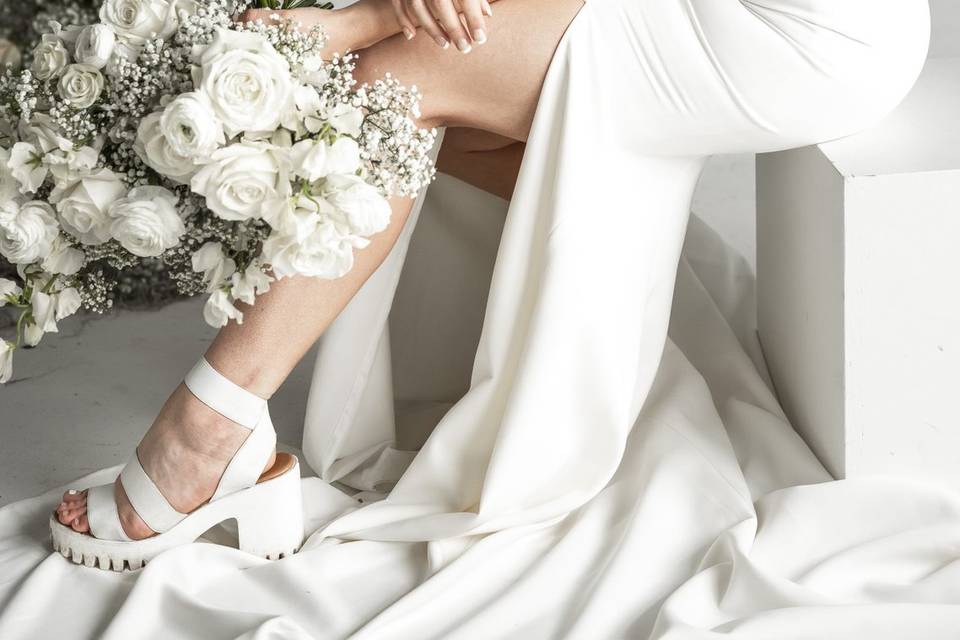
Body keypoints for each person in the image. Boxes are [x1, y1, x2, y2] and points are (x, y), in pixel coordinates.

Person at [51, 0, 931, 569]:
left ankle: (206, 433)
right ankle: (655, 307)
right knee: (453, 112)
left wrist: (363, 22)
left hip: (805, 23)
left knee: (400, 78)